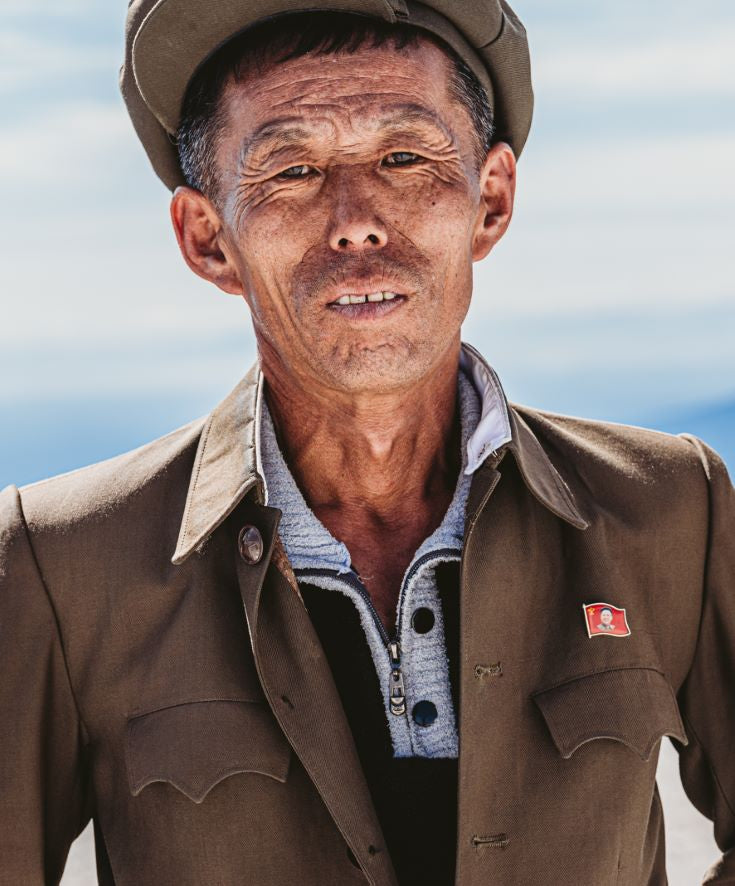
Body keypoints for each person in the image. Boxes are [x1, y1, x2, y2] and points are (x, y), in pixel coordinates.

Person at [1, 2, 733, 884]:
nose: (355, 219)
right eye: (293, 168)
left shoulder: (670, 506)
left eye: (403, 157)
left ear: (489, 200)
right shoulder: (60, 563)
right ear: (208, 238)